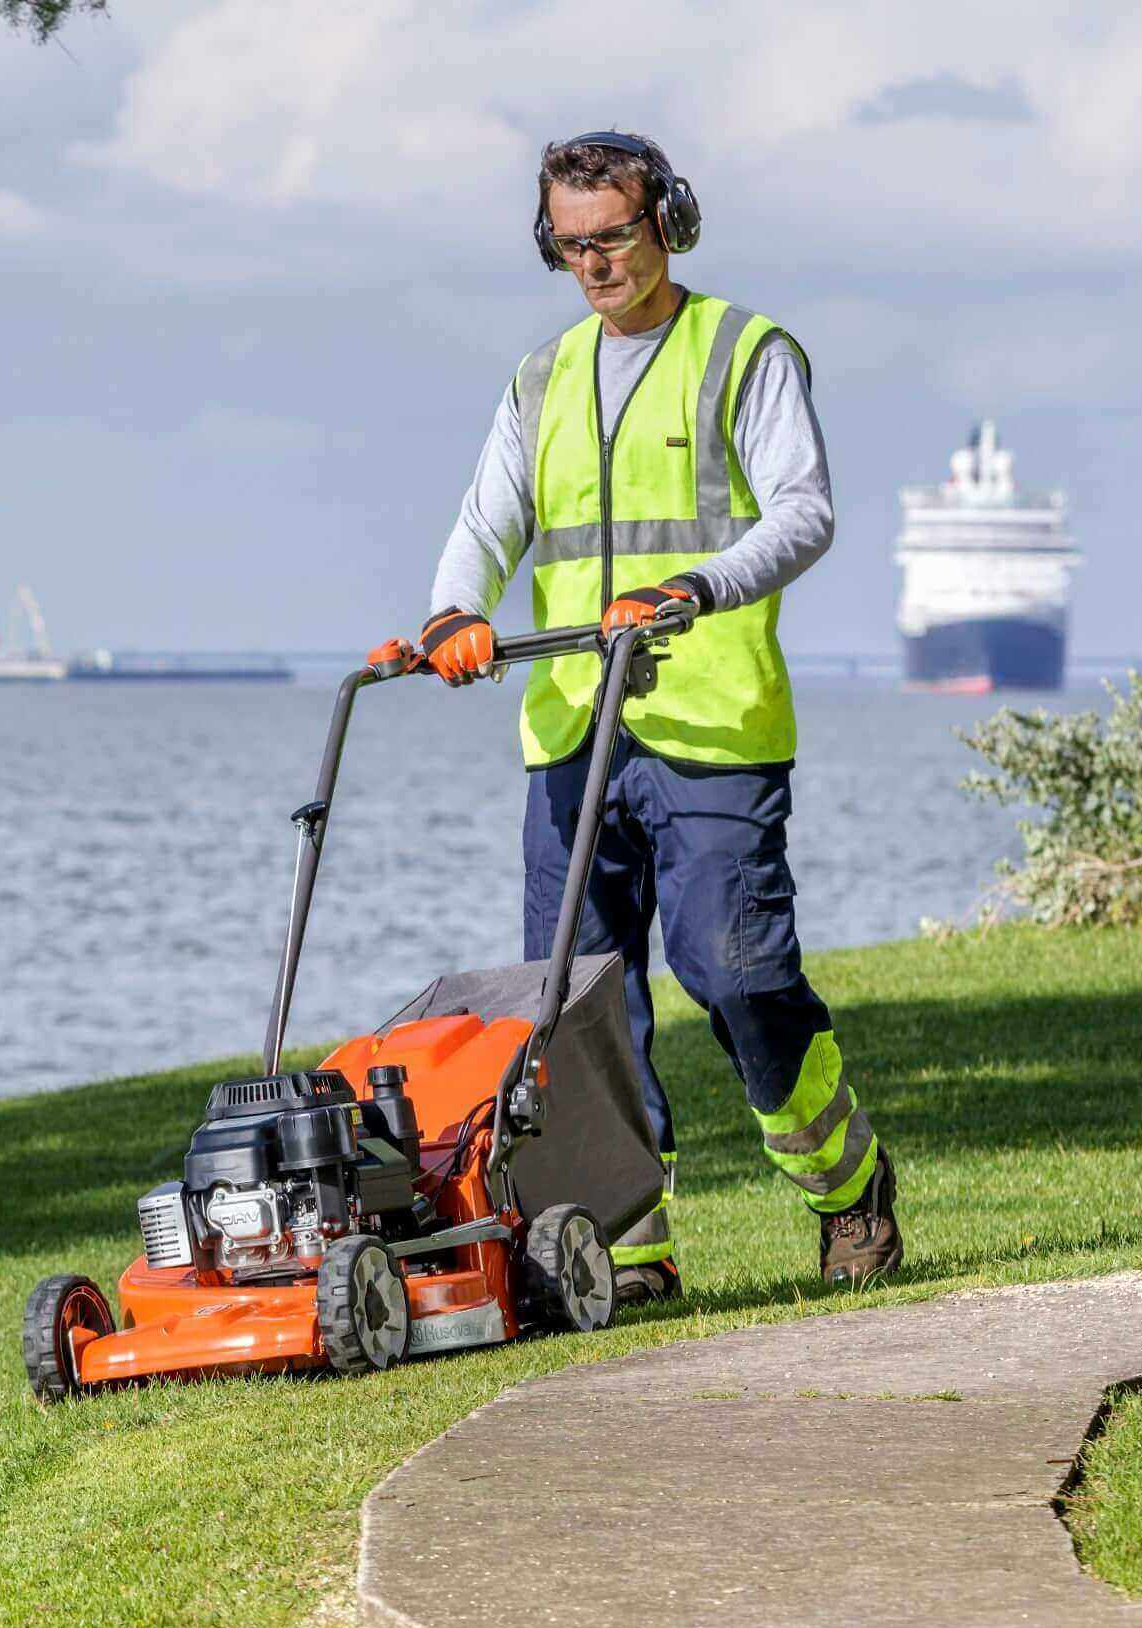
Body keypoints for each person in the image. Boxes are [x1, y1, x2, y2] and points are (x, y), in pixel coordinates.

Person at [374, 129, 901, 1297]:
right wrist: (453, 609)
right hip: (571, 731)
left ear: (668, 218)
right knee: (570, 1012)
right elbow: (485, 521)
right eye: (569, 247)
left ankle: (842, 1183)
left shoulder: (739, 352)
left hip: (709, 727)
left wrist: (691, 586)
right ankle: (625, 1245)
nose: (595, 265)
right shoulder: (538, 378)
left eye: (611, 236)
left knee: (735, 973)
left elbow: (801, 513)